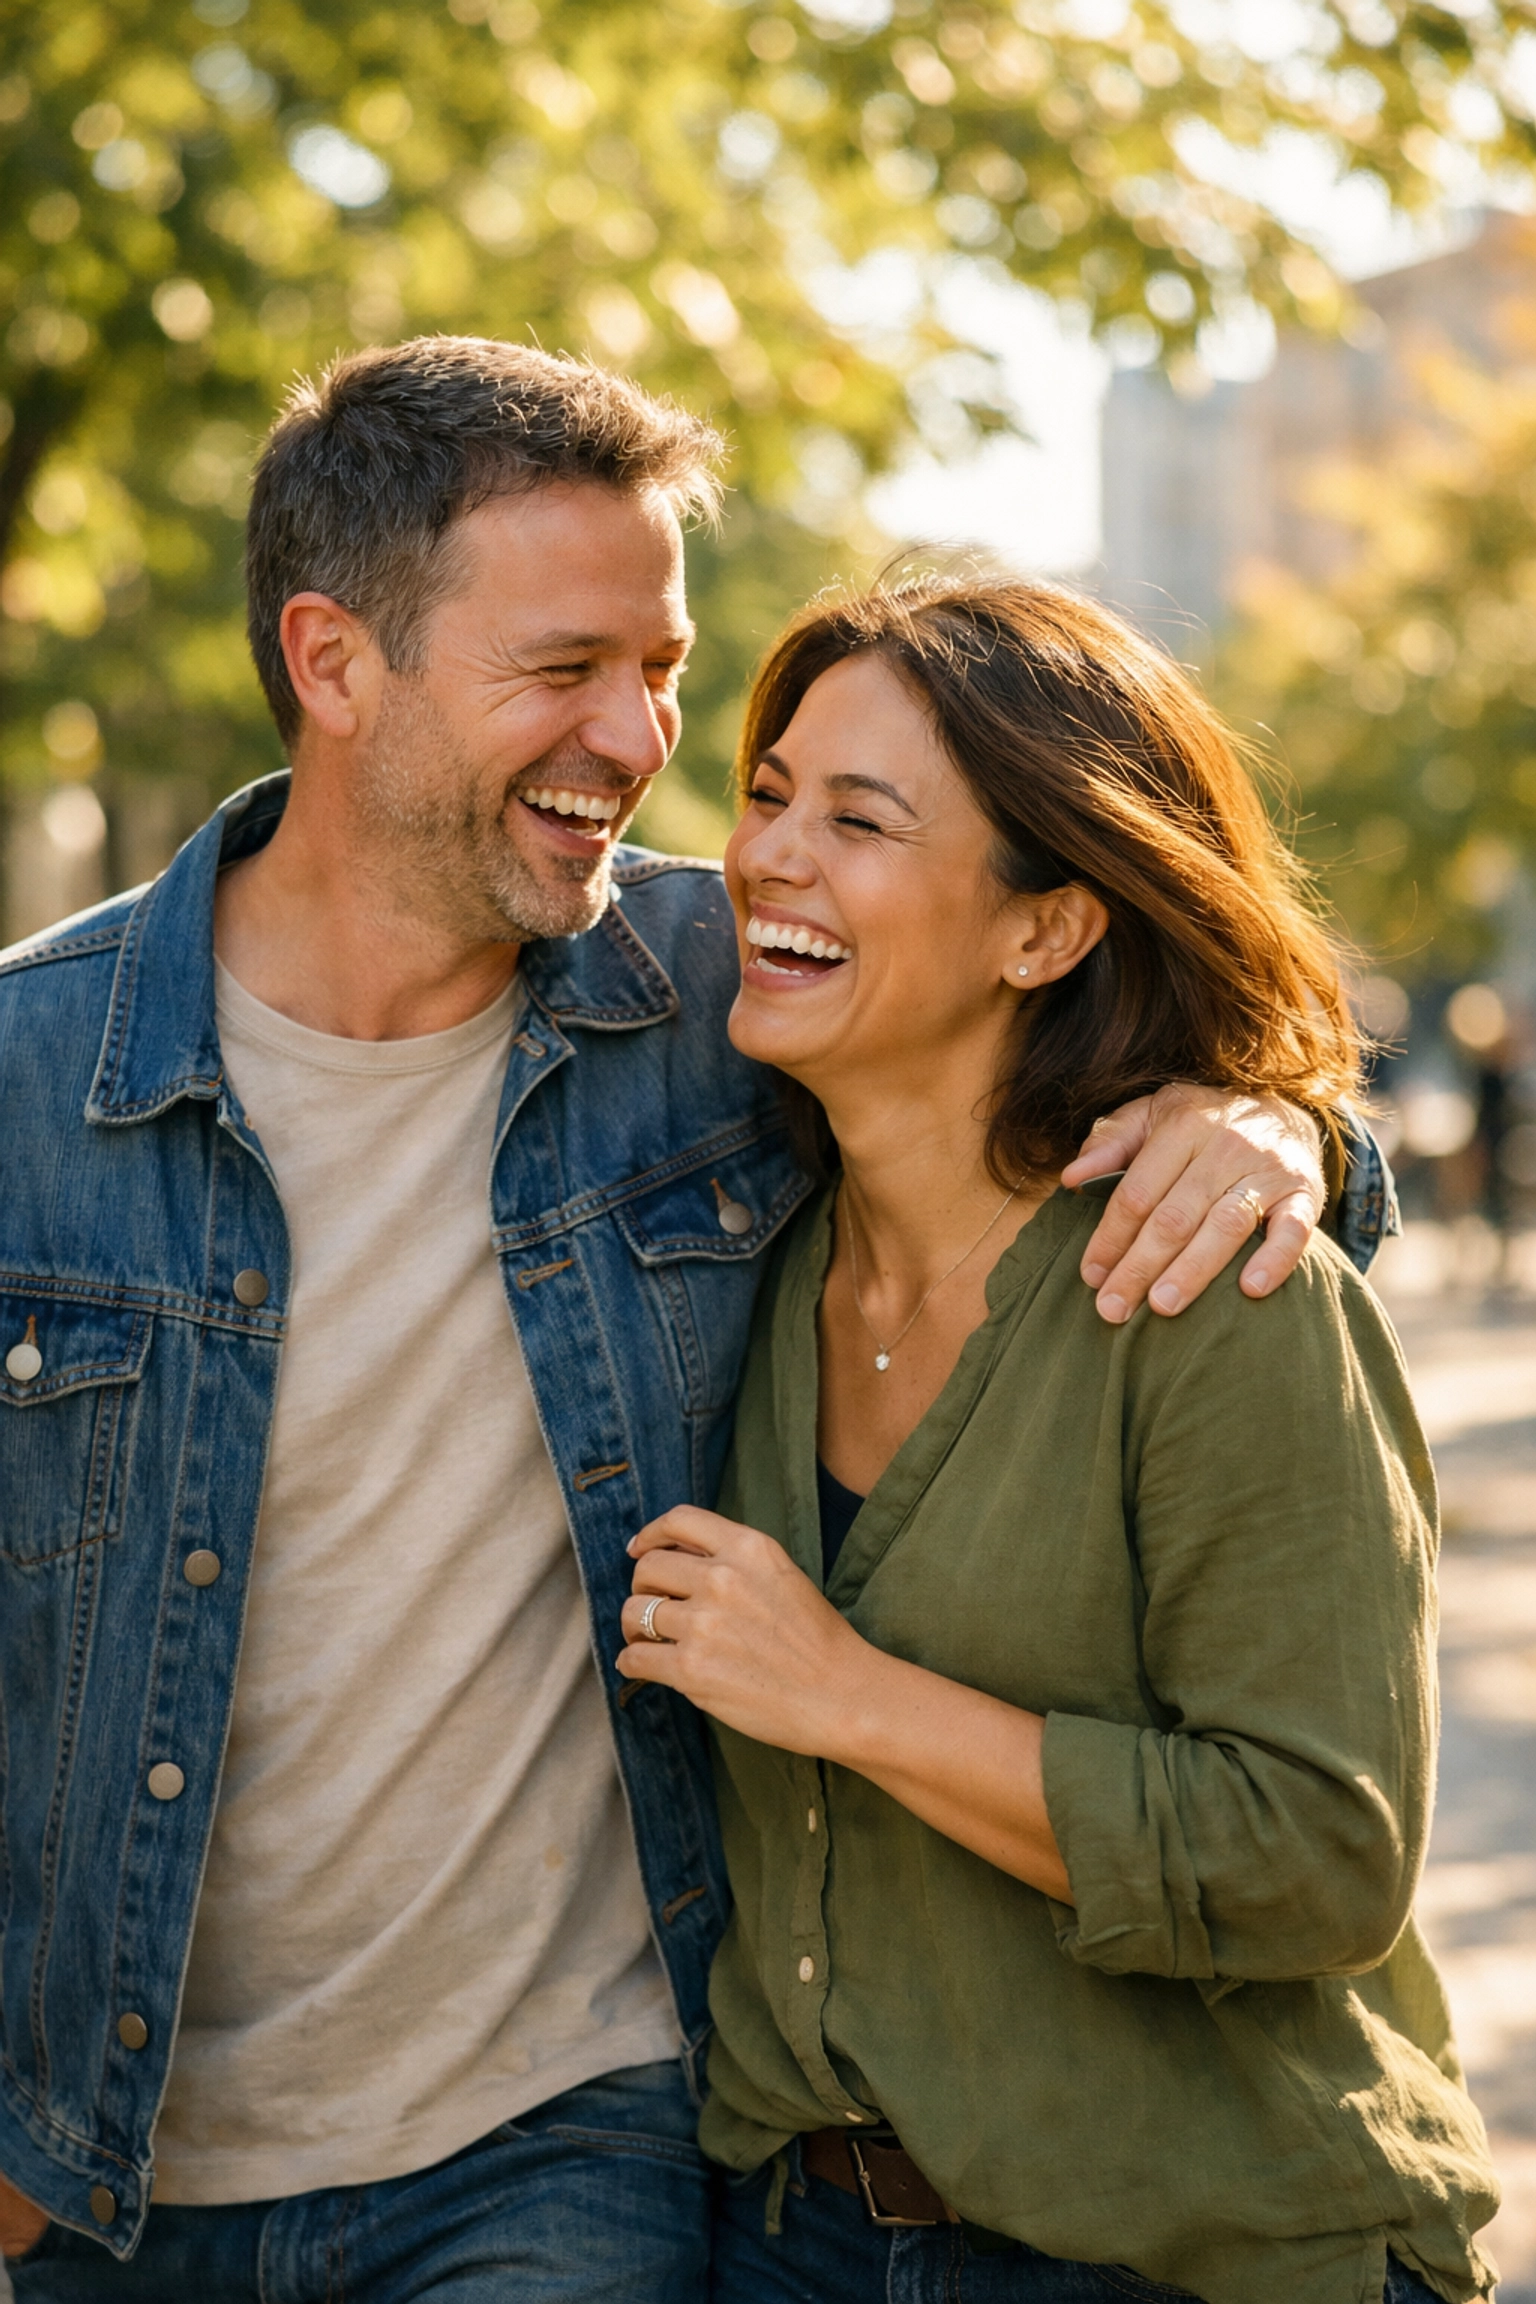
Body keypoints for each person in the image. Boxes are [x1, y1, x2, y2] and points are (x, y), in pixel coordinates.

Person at [0, 340, 1383, 2303]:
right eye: (565, 669)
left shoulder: (714, 991)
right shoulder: (26, 1084)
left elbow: (1084, 1002)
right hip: (107, 2170)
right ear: (332, 661)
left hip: (558, 2136)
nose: (639, 736)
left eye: (659, 670)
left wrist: (1276, 1127)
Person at [617, 578, 1498, 2304]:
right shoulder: (724, 1260)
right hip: (784, 2245)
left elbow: (1321, 1855)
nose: (771, 856)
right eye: (772, 792)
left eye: (860, 820)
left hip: (1195, 2253)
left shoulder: (1221, 1288)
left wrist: (848, 1696)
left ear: (1047, 931)